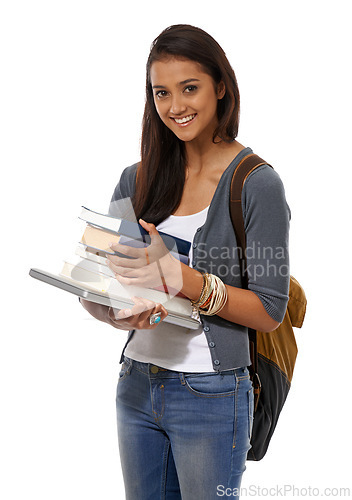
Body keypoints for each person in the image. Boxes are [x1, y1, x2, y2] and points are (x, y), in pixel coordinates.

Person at [80, 24, 290, 500]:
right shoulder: (136, 179)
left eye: (189, 88)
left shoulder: (257, 185)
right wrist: (116, 313)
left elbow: (269, 310)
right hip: (136, 384)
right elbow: (99, 288)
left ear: (220, 86)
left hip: (212, 394)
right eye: (161, 92)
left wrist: (181, 278)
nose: (175, 106)